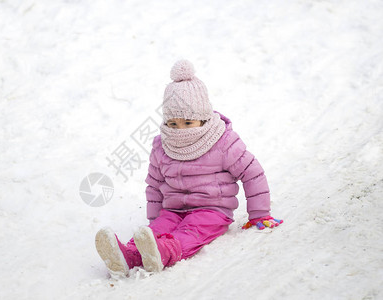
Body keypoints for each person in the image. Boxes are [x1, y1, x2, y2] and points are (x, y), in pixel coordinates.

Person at [95, 59, 283, 276]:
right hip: (173, 209)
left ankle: (165, 251)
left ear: (202, 119)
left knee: (191, 231)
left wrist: (259, 214)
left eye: (187, 123)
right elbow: (154, 185)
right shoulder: (162, 145)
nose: (180, 130)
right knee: (157, 230)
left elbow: (252, 172)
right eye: (173, 124)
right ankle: (127, 255)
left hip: (212, 210)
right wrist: (156, 222)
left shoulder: (222, 141)